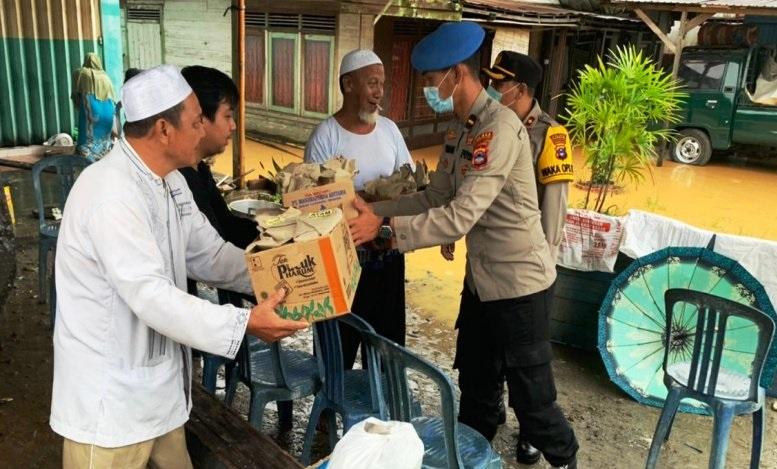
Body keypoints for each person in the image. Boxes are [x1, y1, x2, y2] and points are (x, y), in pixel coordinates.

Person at [51, 64, 307, 469]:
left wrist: (278, 276)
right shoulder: (109, 193)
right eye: (195, 122)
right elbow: (150, 296)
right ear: (163, 130)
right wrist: (243, 325)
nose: (203, 130)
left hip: (159, 390)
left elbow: (209, 253)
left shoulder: (170, 181)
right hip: (111, 400)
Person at [347, 22, 579, 469]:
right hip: (482, 282)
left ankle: (565, 459)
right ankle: (475, 458)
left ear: (457, 74)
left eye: (433, 82)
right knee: (474, 386)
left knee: (533, 401)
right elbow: (436, 197)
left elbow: (458, 218)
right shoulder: (461, 130)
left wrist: (385, 232)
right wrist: (378, 207)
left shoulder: (501, 130)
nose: (429, 91)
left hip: (520, 284)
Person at [304, 49, 414, 369]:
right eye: (371, 83)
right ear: (348, 85)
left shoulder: (390, 131)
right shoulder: (326, 136)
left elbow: (410, 188)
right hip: (343, 264)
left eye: (382, 83)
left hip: (388, 257)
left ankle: (381, 416)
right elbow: (314, 204)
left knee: (386, 352)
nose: (379, 92)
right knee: (335, 352)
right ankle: (326, 415)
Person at [482, 51, 573, 261]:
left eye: (499, 86)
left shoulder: (550, 135)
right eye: (491, 84)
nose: (491, 92)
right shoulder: (491, 127)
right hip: (487, 249)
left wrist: (545, 261)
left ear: (520, 90)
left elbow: (554, 208)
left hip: (521, 256)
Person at [71, 52, 116, 162]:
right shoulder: (106, 76)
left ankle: (85, 158)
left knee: (87, 133)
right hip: (108, 109)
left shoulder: (80, 72)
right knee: (104, 136)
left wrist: (79, 105)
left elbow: (76, 93)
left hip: (91, 108)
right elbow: (113, 98)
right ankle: (101, 155)